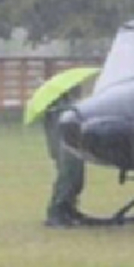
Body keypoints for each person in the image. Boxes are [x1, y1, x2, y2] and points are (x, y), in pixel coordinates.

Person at [43, 84, 93, 228]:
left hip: (73, 146)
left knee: (76, 178)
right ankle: (57, 213)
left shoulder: (70, 105)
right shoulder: (59, 108)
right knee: (67, 178)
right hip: (65, 148)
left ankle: (69, 209)